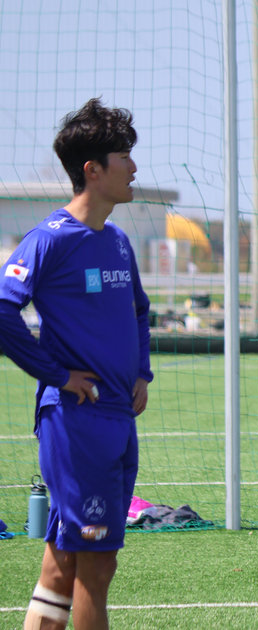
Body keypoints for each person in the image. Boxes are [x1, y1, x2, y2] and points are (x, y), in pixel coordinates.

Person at [0, 98, 152, 630]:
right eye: (124, 156)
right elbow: (3, 310)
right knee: (96, 565)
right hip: (75, 421)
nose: (134, 166)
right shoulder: (49, 239)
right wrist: (58, 375)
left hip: (118, 417)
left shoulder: (118, 242)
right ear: (92, 170)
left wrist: (142, 372)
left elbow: (139, 311)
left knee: (63, 562)